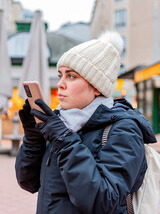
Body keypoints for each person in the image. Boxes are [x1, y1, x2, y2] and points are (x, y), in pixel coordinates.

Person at [15, 31, 156, 214]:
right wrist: (33, 138)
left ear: (97, 86)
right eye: (60, 75)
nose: (60, 84)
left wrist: (64, 139)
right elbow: (29, 182)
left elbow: (103, 200)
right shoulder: (61, 123)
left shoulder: (124, 129)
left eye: (71, 76)